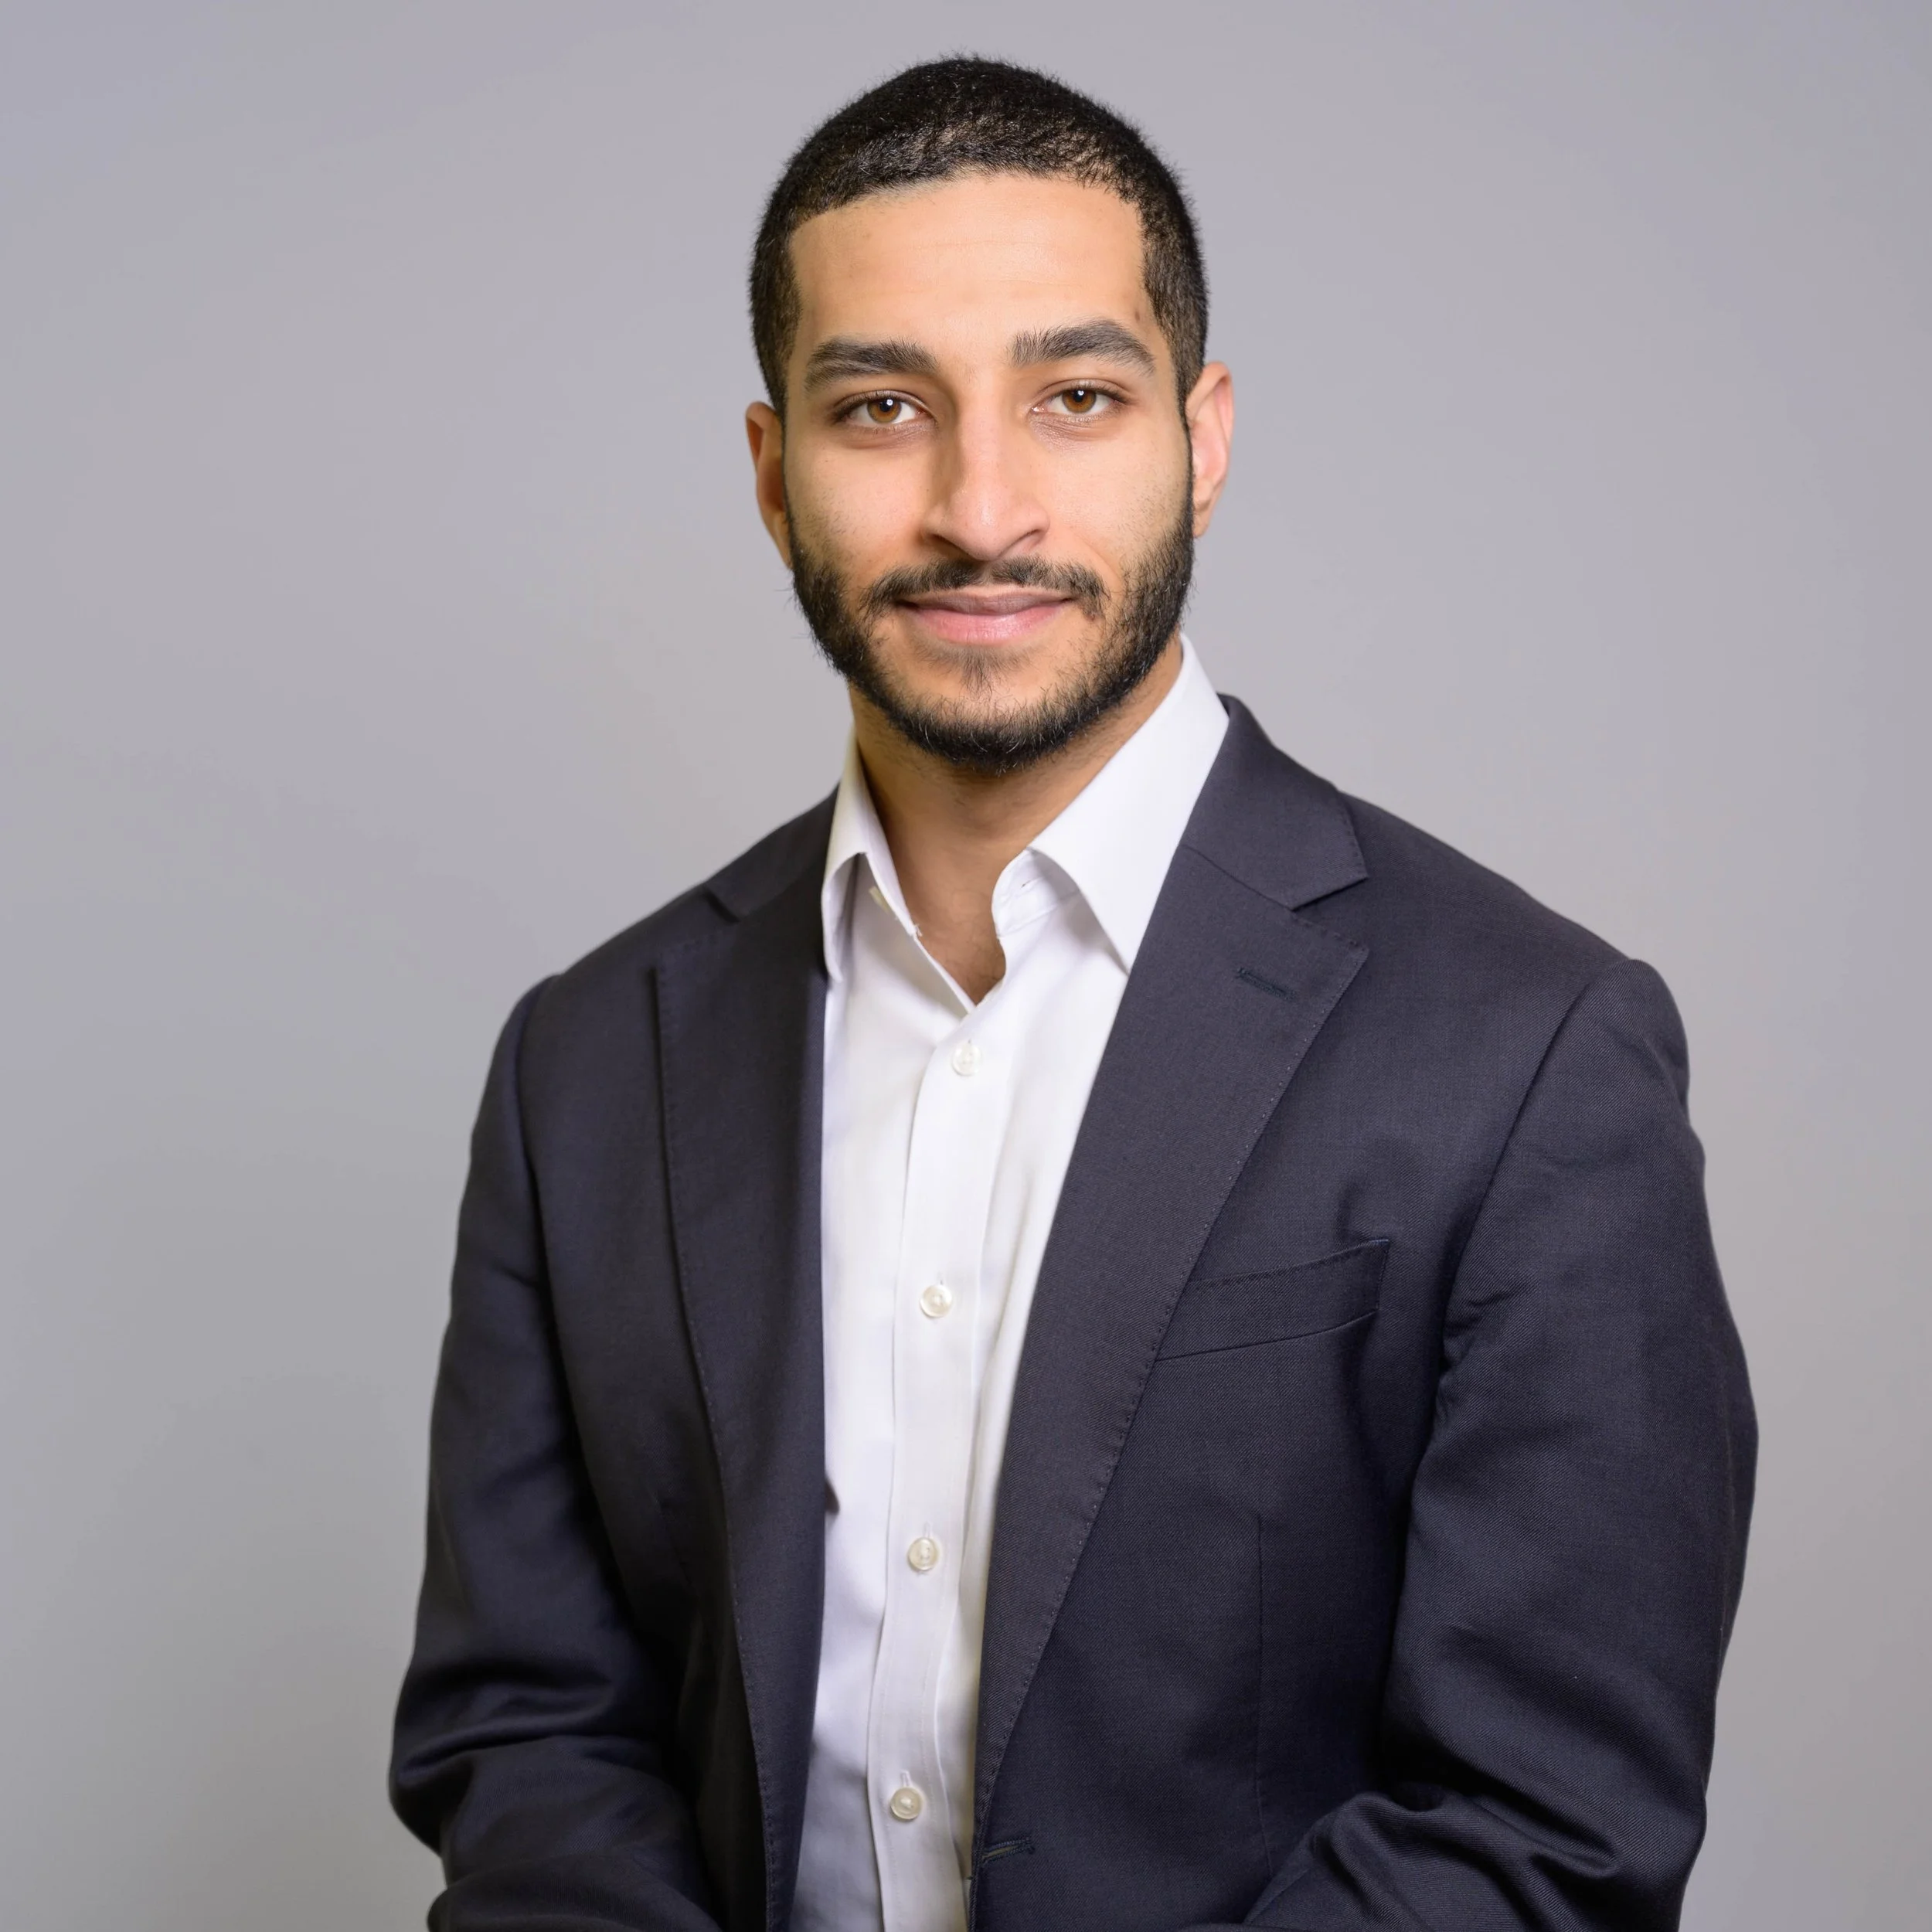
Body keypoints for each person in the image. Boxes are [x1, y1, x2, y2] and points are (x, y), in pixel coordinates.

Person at [389, 56, 1754, 1932]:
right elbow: (532, 1733)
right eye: (882, 406)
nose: (979, 503)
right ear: (774, 470)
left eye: (1074, 396)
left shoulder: (1525, 1051)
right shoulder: (585, 1061)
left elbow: (1539, 1829)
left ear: (1197, 438)